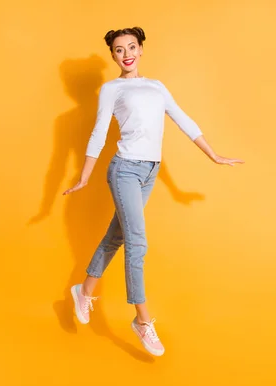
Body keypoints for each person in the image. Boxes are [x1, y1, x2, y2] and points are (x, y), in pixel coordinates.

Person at [62, 27, 244, 357]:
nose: (127, 53)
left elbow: (182, 119)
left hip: (150, 171)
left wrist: (213, 155)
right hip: (125, 170)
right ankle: (142, 320)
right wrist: (85, 176)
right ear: (113, 56)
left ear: (141, 49)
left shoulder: (157, 87)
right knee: (137, 241)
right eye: (119, 50)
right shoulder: (112, 88)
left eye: (132, 46)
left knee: (117, 236)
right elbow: (99, 133)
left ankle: (84, 291)